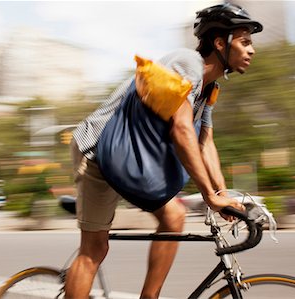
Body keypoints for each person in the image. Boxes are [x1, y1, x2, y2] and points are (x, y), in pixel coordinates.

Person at [65, 3, 263, 299]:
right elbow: (182, 130)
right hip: (98, 152)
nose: (251, 50)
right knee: (94, 250)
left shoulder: (208, 89)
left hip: (131, 159)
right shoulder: (187, 64)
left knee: (173, 218)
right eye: (245, 41)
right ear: (221, 42)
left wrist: (221, 194)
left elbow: (204, 142)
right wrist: (209, 195)